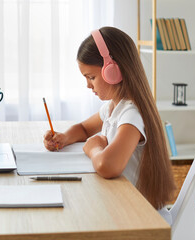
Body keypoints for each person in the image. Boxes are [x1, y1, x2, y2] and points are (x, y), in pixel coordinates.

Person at [43, 26, 175, 209]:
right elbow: (83, 128)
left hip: (139, 215)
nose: (88, 85)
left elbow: (108, 165)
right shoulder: (113, 107)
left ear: (113, 71)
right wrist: (64, 137)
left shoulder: (132, 115)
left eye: (91, 77)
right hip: (121, 202)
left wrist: (94, 148)